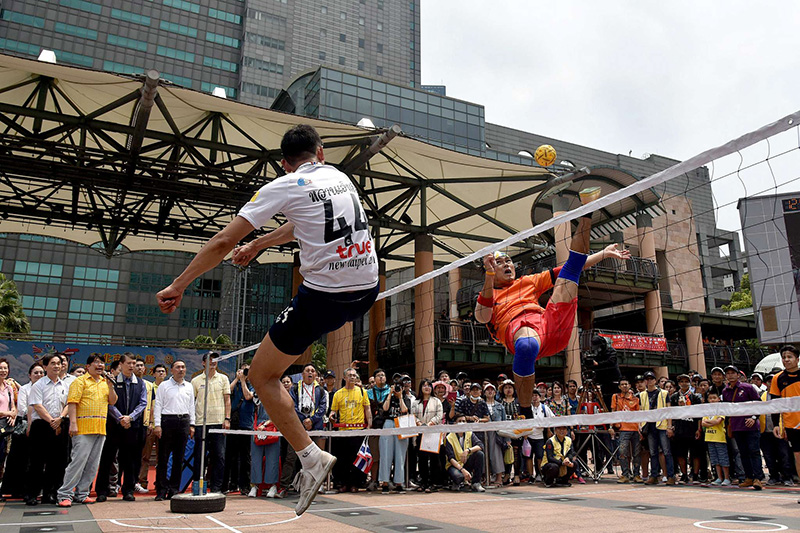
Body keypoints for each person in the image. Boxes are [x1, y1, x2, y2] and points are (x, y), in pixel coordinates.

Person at [157, 124, 379, 515]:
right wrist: (259, 244)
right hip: (366, 290)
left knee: (262, 376)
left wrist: (179, 284)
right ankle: (308, 447)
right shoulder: (339, 176)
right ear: (321, 152)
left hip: (326, 296)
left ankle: (312, 458)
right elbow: (303, 221)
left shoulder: (284, 184)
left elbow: (224, 241)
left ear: (284, 163)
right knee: (299, 339)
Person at [474, 189, 630, 421]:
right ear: (490, 269)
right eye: (500, 262)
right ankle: (525, 414)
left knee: (570, 274)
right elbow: (482, 318)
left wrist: (603, 254)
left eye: (509, 260)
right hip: (520, 332)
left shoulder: (528, 281)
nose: (507, 264)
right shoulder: (487, 293)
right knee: (526, 345)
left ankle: (587, 211)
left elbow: (568, 269)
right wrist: (488, 275)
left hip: (549, 326)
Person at [56, 355, 118, 507]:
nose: (100, 365)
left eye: (102, 363)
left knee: (92, 464)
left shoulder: (105, 382)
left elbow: (113, 401)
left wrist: (110, 386)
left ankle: (82, 493)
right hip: (83, 428)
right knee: (78, 462)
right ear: (88, 366)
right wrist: (73, 423)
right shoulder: (80, 381)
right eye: (96, 363)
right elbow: (72, 403)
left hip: (100, 428)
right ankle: (65, 494)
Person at [96, 353, 147, 502]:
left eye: (134, 363)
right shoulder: (111, 381)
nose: (132, 366)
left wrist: (130, 417)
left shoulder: (140, 383)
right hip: (114, 426)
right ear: (121, 364)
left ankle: (128, 490)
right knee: (107, 459)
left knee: (130, 460)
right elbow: (109, 402)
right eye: (129, 363)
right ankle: (102, 491)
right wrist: (120, 418)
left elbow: (143, 403)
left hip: (132, 426)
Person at [26, 354, 70, 505]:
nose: (57, 366)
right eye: (53, 363)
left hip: (60, 424)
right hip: (42, 426)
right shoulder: (38, 385)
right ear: (45, 367)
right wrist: (52, 421)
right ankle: (32, 494)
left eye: (59, 363)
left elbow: (69, 404)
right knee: (37, 462)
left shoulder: (65, 385)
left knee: (56, 463)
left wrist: (60, 419)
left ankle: (50, 494)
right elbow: (37, 405)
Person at [0, 362, 44, 499]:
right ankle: (18, 489)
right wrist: (38, 410)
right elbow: (22, 408)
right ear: (29, 375)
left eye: (41, 373)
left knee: (37, 461)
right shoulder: (25, 389)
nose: (38, 375)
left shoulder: (45, 388)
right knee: (20, 461)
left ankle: (35, 489)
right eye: (35, 373)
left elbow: (13, 407)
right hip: (25, 426)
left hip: (42, 425)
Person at [281, 363, 326, 496]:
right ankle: (283, 486)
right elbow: (292, 405)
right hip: (297, 427)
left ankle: (317, 485)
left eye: (313, 370)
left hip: (315, 427)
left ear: (316, 375)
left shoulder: (321, 390)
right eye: (307, 370)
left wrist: (311, 420)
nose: (310, 373)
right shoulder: (295, 388)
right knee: (291, 456)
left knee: (316, 459)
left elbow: (323, 408)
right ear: (302, 374)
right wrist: (303, 420)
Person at [153, 360, 195, 501]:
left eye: (183, 367)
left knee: (179, 458)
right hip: (167, 421)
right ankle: (161, 489)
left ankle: (174, 489)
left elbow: (191, 407)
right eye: (178, 367)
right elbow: (158, 405)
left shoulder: (188, 386)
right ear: (172, 370)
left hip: (183, 422)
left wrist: (192, 425)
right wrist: (157, 425)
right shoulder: (164, 386)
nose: (181, 370)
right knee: (163, 458)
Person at [191, 353, 231, 494]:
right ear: (203, 363)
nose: (213, 362)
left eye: (215, 360)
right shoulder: (195, 381)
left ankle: (216, 488)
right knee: (200, 456)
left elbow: (227, 400)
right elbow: (191, 403)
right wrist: (192, 423)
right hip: (200, 423)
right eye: (210, 360)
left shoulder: (223, 378)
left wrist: (227, 419)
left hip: (218, 422)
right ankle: (198, 486)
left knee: (219, 456)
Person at [721, 364, 764, 490]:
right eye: (728, 373)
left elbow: (759, 404)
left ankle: (758, 478)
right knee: (743, 453)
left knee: (754, 451)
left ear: (738, 375)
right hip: (737, 427)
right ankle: (749, 477)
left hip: (751, 426)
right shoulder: (725, 391)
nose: (730, 375)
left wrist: (754, 417)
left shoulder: (748, 387)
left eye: (732, 373)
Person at [330, 367, 371, 493]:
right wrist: (332, 416)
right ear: (344, 378)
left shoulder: (362, 392)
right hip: (343, 431)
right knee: (342, 459)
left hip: (358, 430)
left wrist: (369, 424)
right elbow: (333, 411)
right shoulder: (338, 394)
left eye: (354, 375)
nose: (352, 377)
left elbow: (367, 409)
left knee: (357, 459)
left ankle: (355, 484)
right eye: (350, 375)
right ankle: (343, 484)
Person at [769, 345, 800, 493]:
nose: (786, 360)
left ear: (797, 359)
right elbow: (775, 404)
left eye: (790, 357)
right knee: (798, 456)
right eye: (784, 357)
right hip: (792, 424)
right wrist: (776, 424)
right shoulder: (778, 378)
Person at [639, 370, 675, 486]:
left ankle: (670, 476)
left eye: (651, 379)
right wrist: (640, 426)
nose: (649, 381)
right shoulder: (642, 395)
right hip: (649, 425)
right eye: (647, 379)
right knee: (653, 452)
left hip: (662, 425)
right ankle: (654, 475)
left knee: (666, 451)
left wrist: (669, 426)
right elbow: (640, 411)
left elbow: (669, 411)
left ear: (655, 380)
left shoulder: (664, 393)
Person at [225, 362, 255, 495]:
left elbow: (248, 396)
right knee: (230, 455)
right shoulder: (235, 383)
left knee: (245, 456)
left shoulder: (253, 385)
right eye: (243, 371)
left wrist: (244, 381)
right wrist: (237, 379)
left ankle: (244, 485)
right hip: (233, 423)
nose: (245, 373)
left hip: (246, 424)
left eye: (247, 371)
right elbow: (227, 391)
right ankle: (230, 483)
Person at [136, 363, 167, 494]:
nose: (161, 373)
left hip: (165, 427)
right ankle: (142, 482)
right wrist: (149, 422)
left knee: (163, 457)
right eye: (158, 371)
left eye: (163, 371)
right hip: (150, 426)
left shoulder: (168, 387)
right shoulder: (149, 386)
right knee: (145, 456)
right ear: (153, 373)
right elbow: (150, 407)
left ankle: (160, 483)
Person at [379, 374, 411, 493]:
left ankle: (399, 482)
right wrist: (390, 394)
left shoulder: (406, 398)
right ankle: (385, 482)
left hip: (401, 424)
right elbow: (385, 409)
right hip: (388, 423)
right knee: (385, 453)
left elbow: (404, 410)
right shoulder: (389, 397)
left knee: (400, 454)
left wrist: (400, 396)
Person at [669, 374, 702, 485]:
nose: (684, 383)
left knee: (695, 454)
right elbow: (671, 413)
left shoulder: (695, 397)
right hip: (679, 428)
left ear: (690, 383)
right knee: (680, 454)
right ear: (679, 383)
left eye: (686, 381)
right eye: (682, 381)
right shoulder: (674, 397)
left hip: (692, 428)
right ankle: (684, 474)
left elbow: (699, 415)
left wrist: (698, 429)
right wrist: (672, 427)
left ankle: (696, 475)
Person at [412, 379, 444, 492]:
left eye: (429, 385)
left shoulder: (436, 401)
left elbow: (439, 415)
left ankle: (434, 483)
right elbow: (413, 416)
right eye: (424, 385)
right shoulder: (415, 402)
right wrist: (420, 424)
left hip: (433, 432)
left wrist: (430, 424)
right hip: (420, 432)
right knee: (422, 459)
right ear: (420, 388)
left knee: (434, 458)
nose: (427, 387)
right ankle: (424, 482)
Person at [250, 395, 281, 498]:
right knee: (255, 458)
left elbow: (278, 414)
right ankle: (254, 485)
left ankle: (272, 485)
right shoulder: (254, 393)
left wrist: (265, 424)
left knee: (272, 458)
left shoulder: (276, 393)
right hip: (256, 427)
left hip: (272, 427)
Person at [612, 378, 642, 483]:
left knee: (637, 453)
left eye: (626, 384)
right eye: (622, 384)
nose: (624, 386)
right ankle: (625, 474)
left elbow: (639, 415)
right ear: (619, 387)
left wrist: (640, 428)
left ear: (629, 386)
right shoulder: (615, 397)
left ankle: (637, 474)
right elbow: (613, 412)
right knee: (622, 451)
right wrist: (612, 426)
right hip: (623, 429)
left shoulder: (636, 399)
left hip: (634, 429)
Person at [445, 414, 485, 492]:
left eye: (464, 421)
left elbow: (480, 445)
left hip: (466, 462)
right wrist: (462, 470)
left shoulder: (469, 433)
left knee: (480, 454)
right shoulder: (449, 437)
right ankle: (457, 482)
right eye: (459, 421)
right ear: (455, 424)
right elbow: (451, 458)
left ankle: (476, 483)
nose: (462, 423)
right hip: (455, 465)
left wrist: (468, 450)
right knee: (458, 476)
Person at [366, 368, 390, 491]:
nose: (381, 377)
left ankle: (387, 480)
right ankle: (374, 480)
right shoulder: (368, 393)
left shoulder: (391, 391)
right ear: (374, 379)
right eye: (378, 375)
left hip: (388, 427)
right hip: (374, 428)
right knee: (375, 456)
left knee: (387, 455)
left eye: (383, 375)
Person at [702, 390, 730, 486]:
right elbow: (703, 423)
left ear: (719, 399)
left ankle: (726, 478)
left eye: (714, 398)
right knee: (715, 459)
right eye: (710, 398)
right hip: (709, 437)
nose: (712, 400)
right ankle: (719, 477)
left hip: (719, 437)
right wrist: (711, 422)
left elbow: (718, 421)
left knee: (723, 458)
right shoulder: (707, 410)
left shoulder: (721, 410)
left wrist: (710, 423)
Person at [483, 382, 507, 487]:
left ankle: (498, 477)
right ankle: (486, 477)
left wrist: (507, 439)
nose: (490, 391)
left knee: (497, 454)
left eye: (492, 389)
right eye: (487, 390)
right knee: (484, 454)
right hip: (483, 432)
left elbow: (505, 422)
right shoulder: (481, 404)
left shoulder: (500, 406)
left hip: (497, 433)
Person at [527, 389, 553, 484]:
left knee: (540, 457)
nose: (534, 397)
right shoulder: (527, 408)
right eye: (532, 395)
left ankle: (540, 474)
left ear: (539, 397)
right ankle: (531, 476)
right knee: (528, 457)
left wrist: (549, 430)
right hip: (528, 436)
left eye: (536, 395)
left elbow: (551, 419)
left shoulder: (544, 408)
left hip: (540, 437)